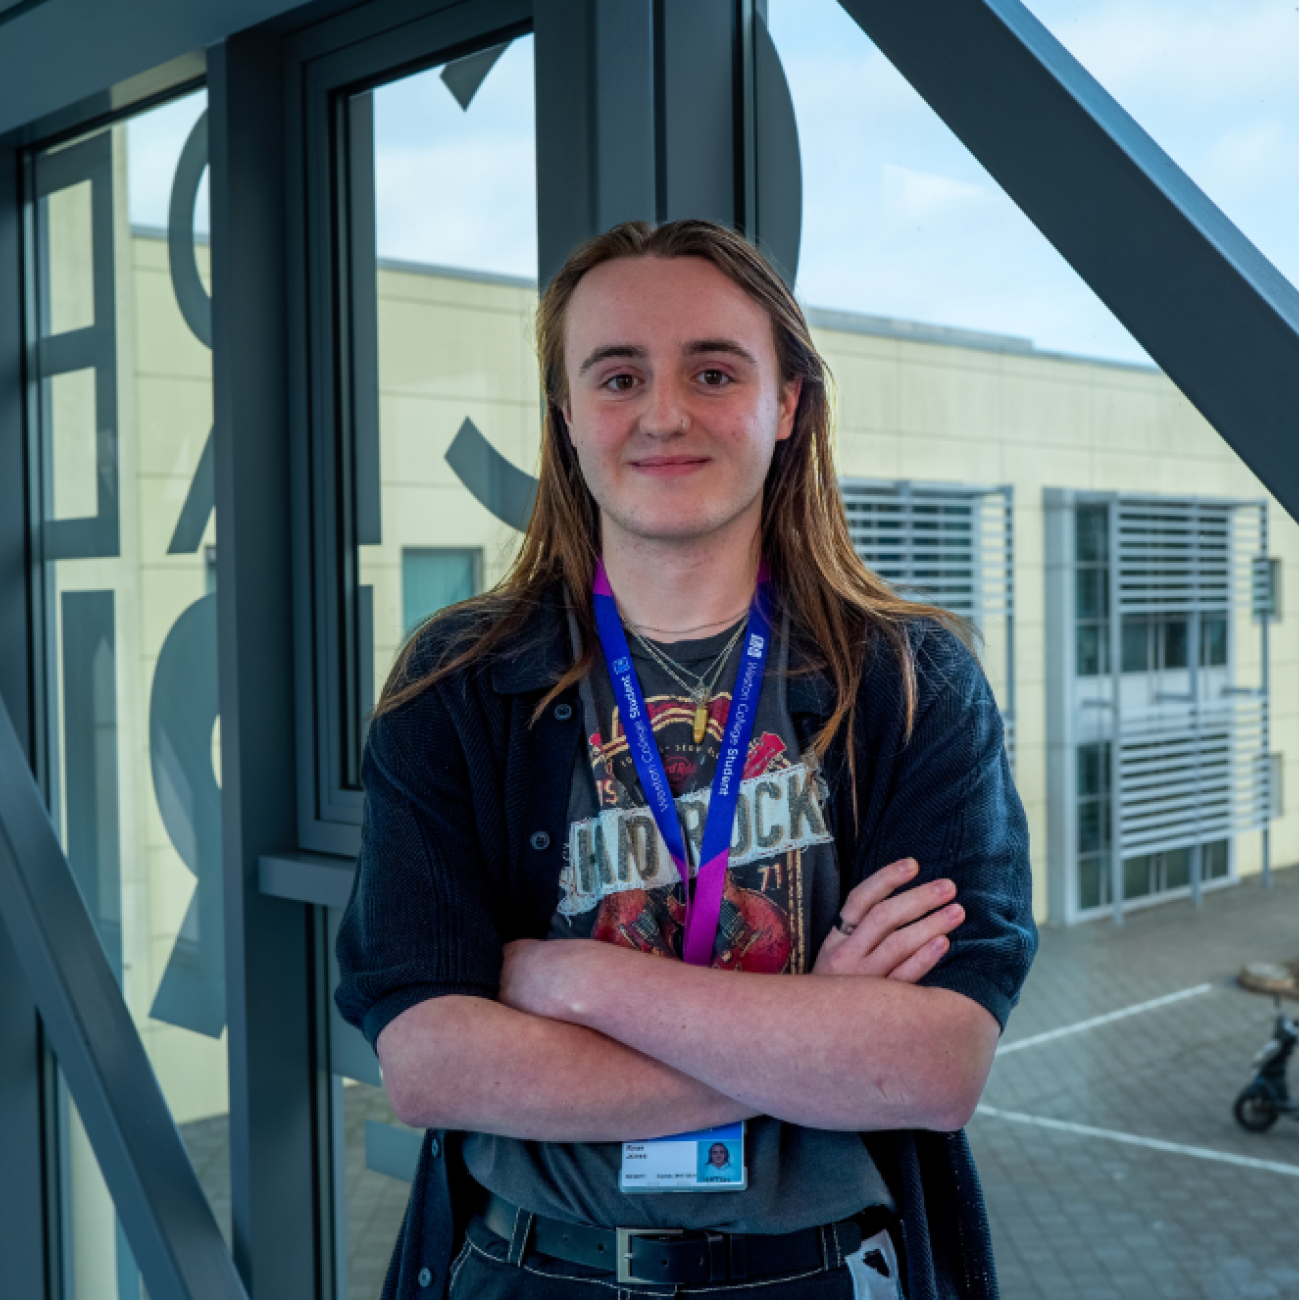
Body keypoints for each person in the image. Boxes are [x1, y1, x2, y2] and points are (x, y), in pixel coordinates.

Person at [336, 218, 1036, 1300]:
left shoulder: (910, 683)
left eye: (713, 370)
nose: (663, 414)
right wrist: (811, 1042)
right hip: (534, 1272)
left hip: (818, 1273)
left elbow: (932, 1066)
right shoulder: (459, 682)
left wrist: (575, 979)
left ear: (787, 401)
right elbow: (431, 1067)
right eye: (617, 376)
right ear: (568, 415)